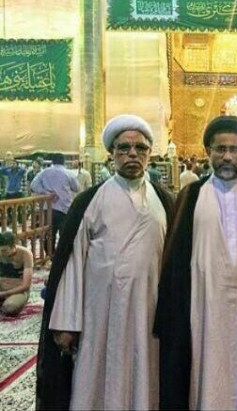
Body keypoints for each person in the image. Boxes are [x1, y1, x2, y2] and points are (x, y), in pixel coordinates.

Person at [36, 115, 174, 410]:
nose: (132, 154)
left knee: (145, 374)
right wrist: (67, 322)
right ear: (112, 153)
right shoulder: (90, 201)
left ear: (150, 153)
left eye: (140, 148)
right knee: (97, 376)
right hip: (99, 312)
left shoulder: (165, 201)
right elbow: (72, 264)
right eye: (124, 148)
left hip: (149, 311)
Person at [155, 116, 237, 409]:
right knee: (208, 370)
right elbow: (175, 261)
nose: (227, 156)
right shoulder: (191, 196)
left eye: (234, 149)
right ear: (208, 152)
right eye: (220, 149)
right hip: (204, 306)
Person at [30, 153, 80, 249]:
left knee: (49, 232)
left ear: (52, 161)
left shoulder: (44, 172)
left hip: (48, 206)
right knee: (64, 233)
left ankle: (50, 253)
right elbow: (76, 188)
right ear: (63, 162)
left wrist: (46, 192)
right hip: (64, 208)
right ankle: (62, 254)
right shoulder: (68, 173)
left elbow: (33, 185)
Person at [0, 232, 33, 317]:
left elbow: (26, 285)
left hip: (17, 290)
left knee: (10, 307)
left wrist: (4, 293)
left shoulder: (25, 254)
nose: (1, 253)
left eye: (4, 251)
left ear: (13, 246)